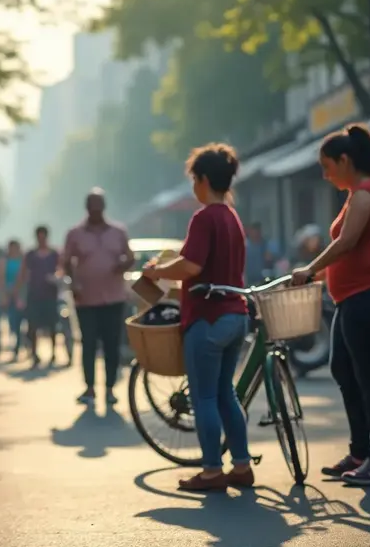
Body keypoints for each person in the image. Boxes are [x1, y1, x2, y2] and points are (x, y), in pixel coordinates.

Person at [290, 124, 370, 486]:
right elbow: (347, 252)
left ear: (345, 160)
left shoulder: (367, 192)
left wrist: (310, 268)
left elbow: (347, 243)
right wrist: (321, 277)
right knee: (342, 368)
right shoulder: (357, 193)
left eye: (328, 166)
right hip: (353, 295)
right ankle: (360, 452)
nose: (325, 175)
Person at [143, 143, 253, 492]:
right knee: (225, 395)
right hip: (236, 315)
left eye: (194, 179)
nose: (193, 186)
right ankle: (241, 465)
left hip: (207, 319)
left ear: (203, 179)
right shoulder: (232, 217)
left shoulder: (204, 217)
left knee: (204, 397)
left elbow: (191, 266)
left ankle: (210, 471)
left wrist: (158, 269)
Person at [61, 188, 133, 405]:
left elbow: (130, 257)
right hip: (86, 300)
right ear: (87, 208)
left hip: (114, 297)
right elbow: (66, 262)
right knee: (89, 343)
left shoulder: (118, 231)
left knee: (112, 344)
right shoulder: (75, 234)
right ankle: (90, 388)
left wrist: (123, 266)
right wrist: (73, 283)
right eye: (92, 207)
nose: (96, 211)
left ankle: (110, 388)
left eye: (99, 206)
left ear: (104, 207)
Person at [16, 226, 62, 367]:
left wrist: (55, 277)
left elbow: (61, 270)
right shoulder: (30, 254)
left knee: (52, 326)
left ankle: (53, 353)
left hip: (50, 295)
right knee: (33, 326)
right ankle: (34, 354)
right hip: (34, 295)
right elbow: (22, 275)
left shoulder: (54, 253)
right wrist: (19, 295)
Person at [0, 240, 26, 359]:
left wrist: (21, 296)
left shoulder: (23, 261)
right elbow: (1, 279)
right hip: (9, 295)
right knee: (12, 322)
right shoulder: (4, 261)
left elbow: (25, 279)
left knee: (22, 322)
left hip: (21, 294)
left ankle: (22, 345)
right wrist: (2, 296)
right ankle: (15, 347)